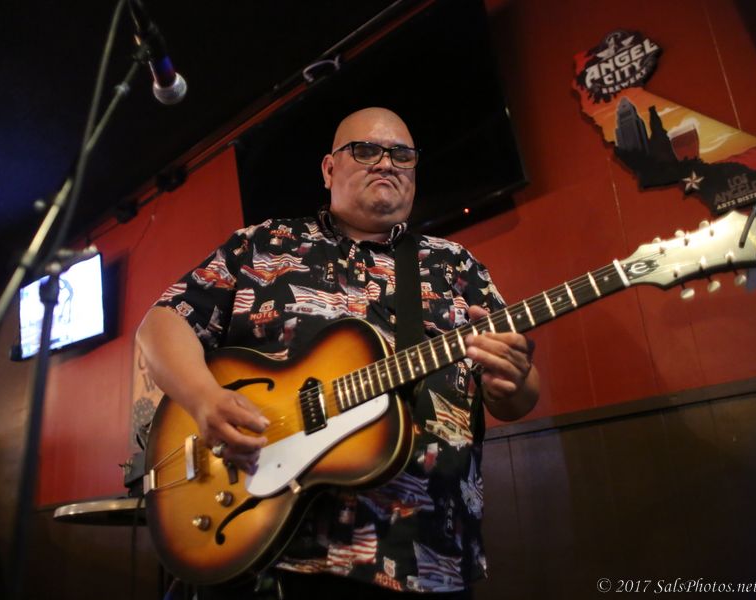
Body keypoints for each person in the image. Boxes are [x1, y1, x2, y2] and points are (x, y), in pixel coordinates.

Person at [137, 107, 539, 599]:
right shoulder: (263, 245)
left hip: (427, 557)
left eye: (402, 155)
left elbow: (517, 398)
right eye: (366, 150)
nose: (386, 163)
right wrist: (204, 399)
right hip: (269, 554)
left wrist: (513, 381)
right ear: (329, 169)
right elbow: (162, 324)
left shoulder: (457, 266)